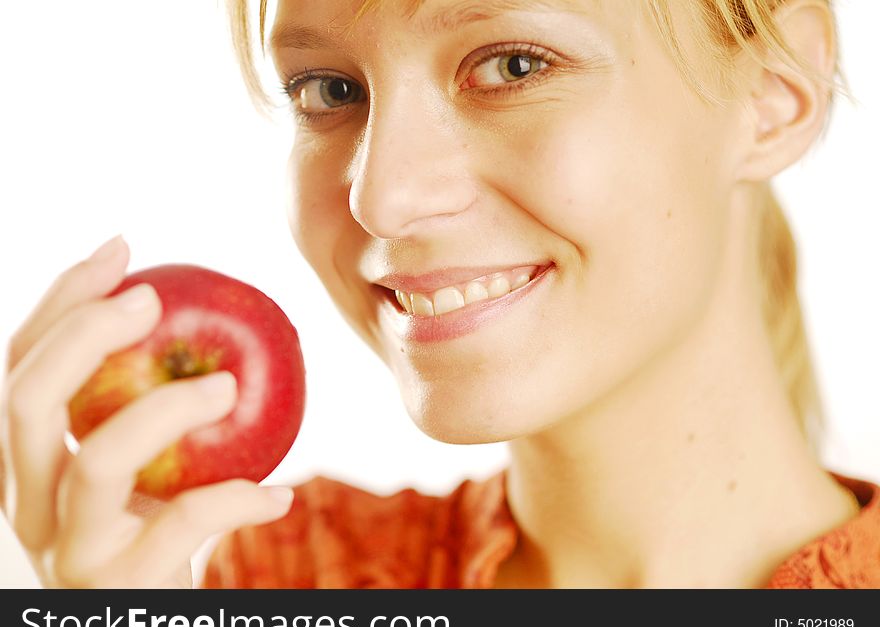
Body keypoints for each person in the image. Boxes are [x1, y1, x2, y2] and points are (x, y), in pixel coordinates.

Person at [1, 0, 878, 589]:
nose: (379, 196)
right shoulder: (284, 582)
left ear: (770, 94)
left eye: (512, 65)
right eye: (330, 90)